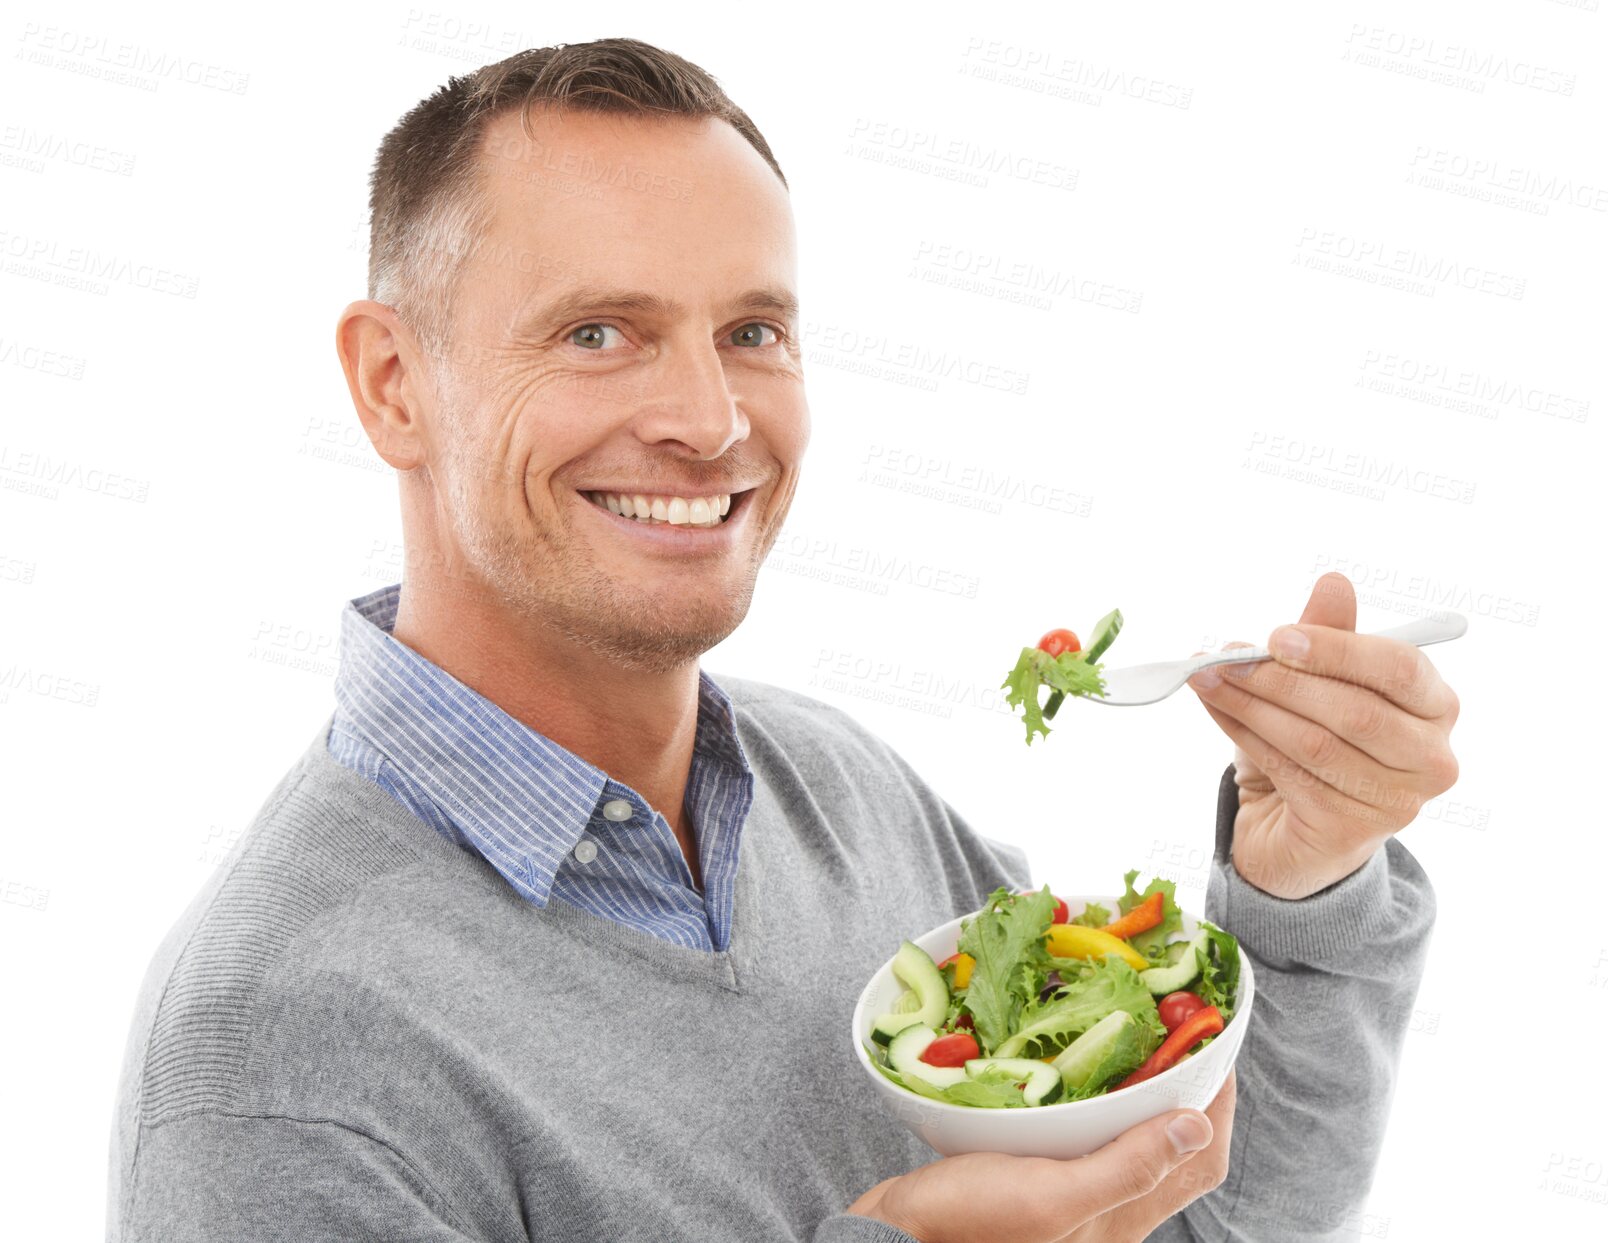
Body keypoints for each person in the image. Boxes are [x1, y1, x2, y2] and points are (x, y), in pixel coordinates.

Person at [106, 37, 1458, 1242]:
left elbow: (1203, 1217)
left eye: (751, 331)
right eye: (597, 333)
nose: (706, 419)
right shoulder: (278, 1053)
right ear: (395, 385)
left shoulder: (848, 797)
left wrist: (1305, 881)